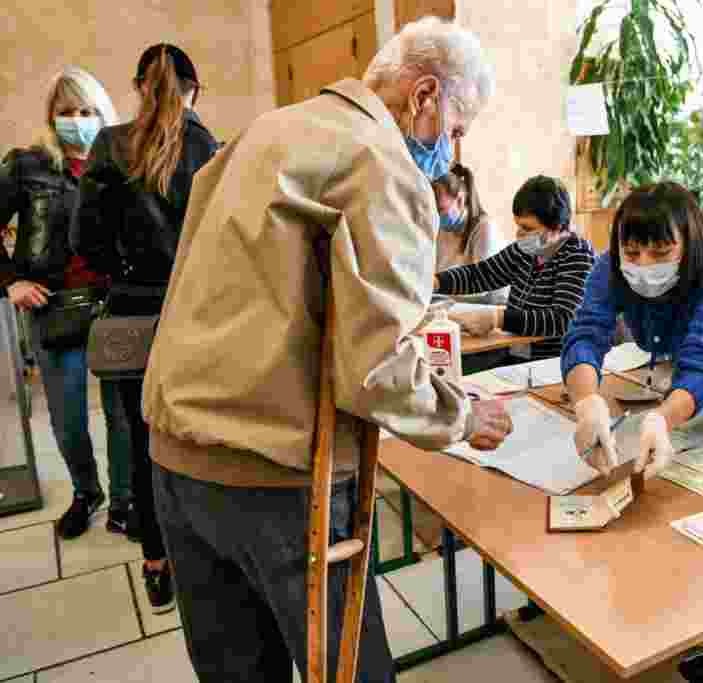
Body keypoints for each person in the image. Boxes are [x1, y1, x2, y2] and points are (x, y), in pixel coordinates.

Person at [138, 17, 511, 682]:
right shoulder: (379, 160)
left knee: (236, 670)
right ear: (426, 94)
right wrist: (460, 415)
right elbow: (377, 371)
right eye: (457, 128)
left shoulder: (267, 130)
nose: (453, 154)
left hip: (176, 456)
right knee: (349, 670)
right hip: (274, 474)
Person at [72, 44, 219, 614]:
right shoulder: (212, 148)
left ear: (138, 86)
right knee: (202, 434)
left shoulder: (109, 145)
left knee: (143, 439)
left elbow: (85, 244)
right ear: (195, 89)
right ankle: (207, 557)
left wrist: (127, 273)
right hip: (200, 315)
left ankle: (157, 564)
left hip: (135, 313)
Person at [562, 181, 703, 476]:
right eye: (632, 253)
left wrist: (662, 419)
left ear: (691, 243)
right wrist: (587, 404)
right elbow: (586, 333)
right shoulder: (609, 264)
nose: (644, 264)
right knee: (688, 410)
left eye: (661, 253)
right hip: (701, 331)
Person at [0, 67, 134, 540]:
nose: (77, 120)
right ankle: (86, 493)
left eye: (87, 111)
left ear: (103, 114)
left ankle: (124, 503)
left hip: (114, 305)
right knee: (68, 416)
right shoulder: (28, 164)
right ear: (51, 117)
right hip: (53, 308)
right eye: (67, 112)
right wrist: (11, 280)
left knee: (123, 415)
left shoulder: (121, 162)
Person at [433, 175, 596, 364]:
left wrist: (499, 318)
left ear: (557, 227)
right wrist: (436, 282)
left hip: (556, 362)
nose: (519, 234)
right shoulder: (526, 251)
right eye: (518, 226)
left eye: (527, 228)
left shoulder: (577, 255)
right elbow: (481, 274)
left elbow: (562, 318)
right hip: (518, 355)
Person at [433, 163, 508, 303]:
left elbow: (481, 286)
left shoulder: (485, 228)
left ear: (460, 200)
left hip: (491, 308)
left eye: (440, 209)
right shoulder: (443, 230)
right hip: (456, 306)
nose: (436, 216)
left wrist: (437, 286)